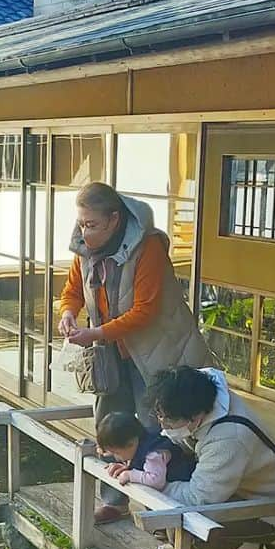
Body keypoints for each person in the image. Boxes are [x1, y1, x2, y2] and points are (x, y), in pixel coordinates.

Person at [57, 182, 209, 523]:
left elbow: (145, 311)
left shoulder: (148, 246)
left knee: (158, 427)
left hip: (157, 352)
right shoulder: (84, 248)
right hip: (111, 352)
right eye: (81, 224)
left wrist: (95, 332)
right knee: (109, 424)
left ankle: (165, 507)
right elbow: (72, 291)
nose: (84, 231)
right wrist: (67, 312)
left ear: (114, 219)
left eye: (91, 224)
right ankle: (115, 499)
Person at [148, 366, 275, 549]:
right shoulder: (197, 392)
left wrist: (152, 484)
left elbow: (198, 498)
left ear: (195, 417)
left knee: (199, 533)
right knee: (164, 511)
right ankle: (207, 546)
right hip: (231, 488)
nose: (163, 425)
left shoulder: (229, 439)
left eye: (169, 421)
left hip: (265, 510)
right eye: (160, 416)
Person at [95, 410, 195, 490]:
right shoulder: (142, 440)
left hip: (183, 485)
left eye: (117, 453)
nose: (116, 458)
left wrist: (130, 475)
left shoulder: (153, 455)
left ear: (131, 443)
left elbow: (156, 481)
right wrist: (129, 466)